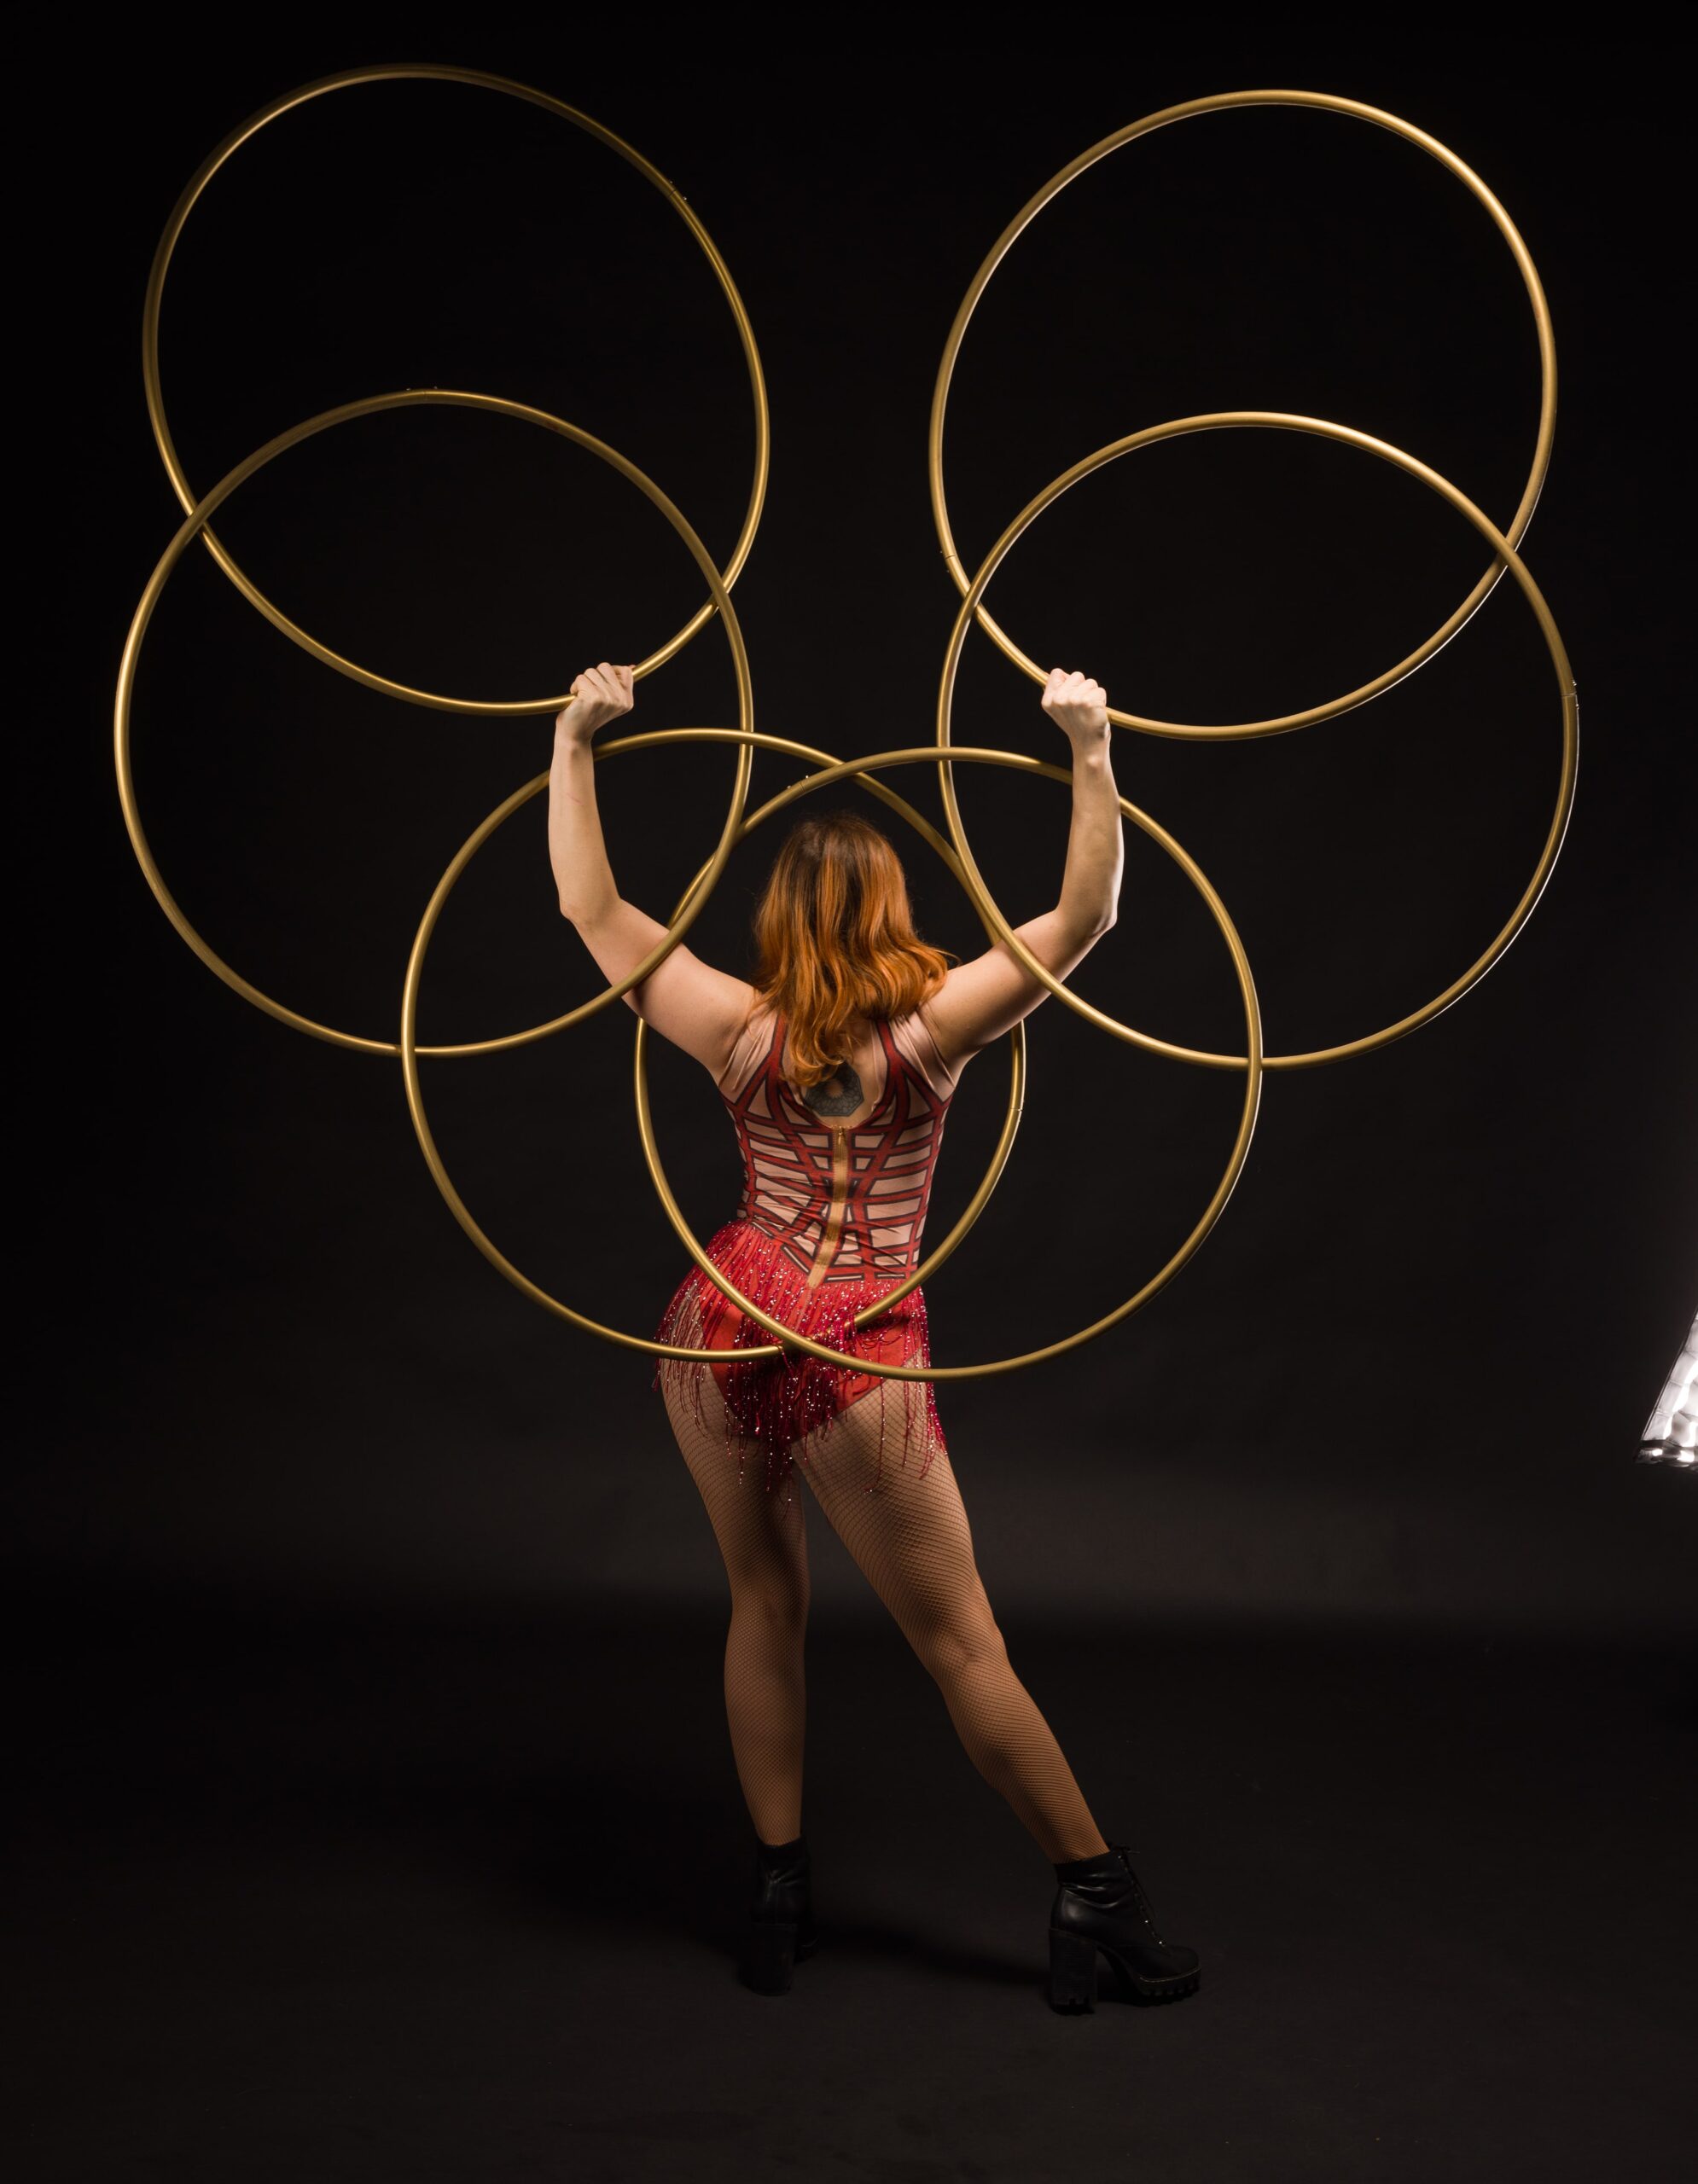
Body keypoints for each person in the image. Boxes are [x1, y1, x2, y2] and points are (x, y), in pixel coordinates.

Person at [549, 661, 1200, 2012]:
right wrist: (1087, 743)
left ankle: (777, 1896)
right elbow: (1088, 914)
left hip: (717, 1323)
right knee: (960, 1644)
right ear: (893, 909)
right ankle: (1095, 1893)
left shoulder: (732, 1025)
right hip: (856, 1347)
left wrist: (572, 743)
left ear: (779, 916)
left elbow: (587, 907)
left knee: (763, 1604)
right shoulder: (936, 1029)